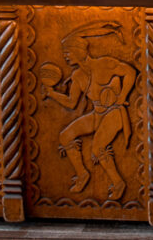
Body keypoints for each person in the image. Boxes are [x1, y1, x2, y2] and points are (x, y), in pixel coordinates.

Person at [43, 22, 137, 200]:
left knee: (98, 147)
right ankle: (82, 173)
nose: (66, 57)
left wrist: (123, 95)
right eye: (64, 54)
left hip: (114, 113)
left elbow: (130, 71)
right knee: (65, 136)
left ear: (79, 51)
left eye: (68, 53)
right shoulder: (77, 76)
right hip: (96, 113)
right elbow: (71, 103)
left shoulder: (104, 64)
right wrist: (52, 94)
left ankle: (118, 183)